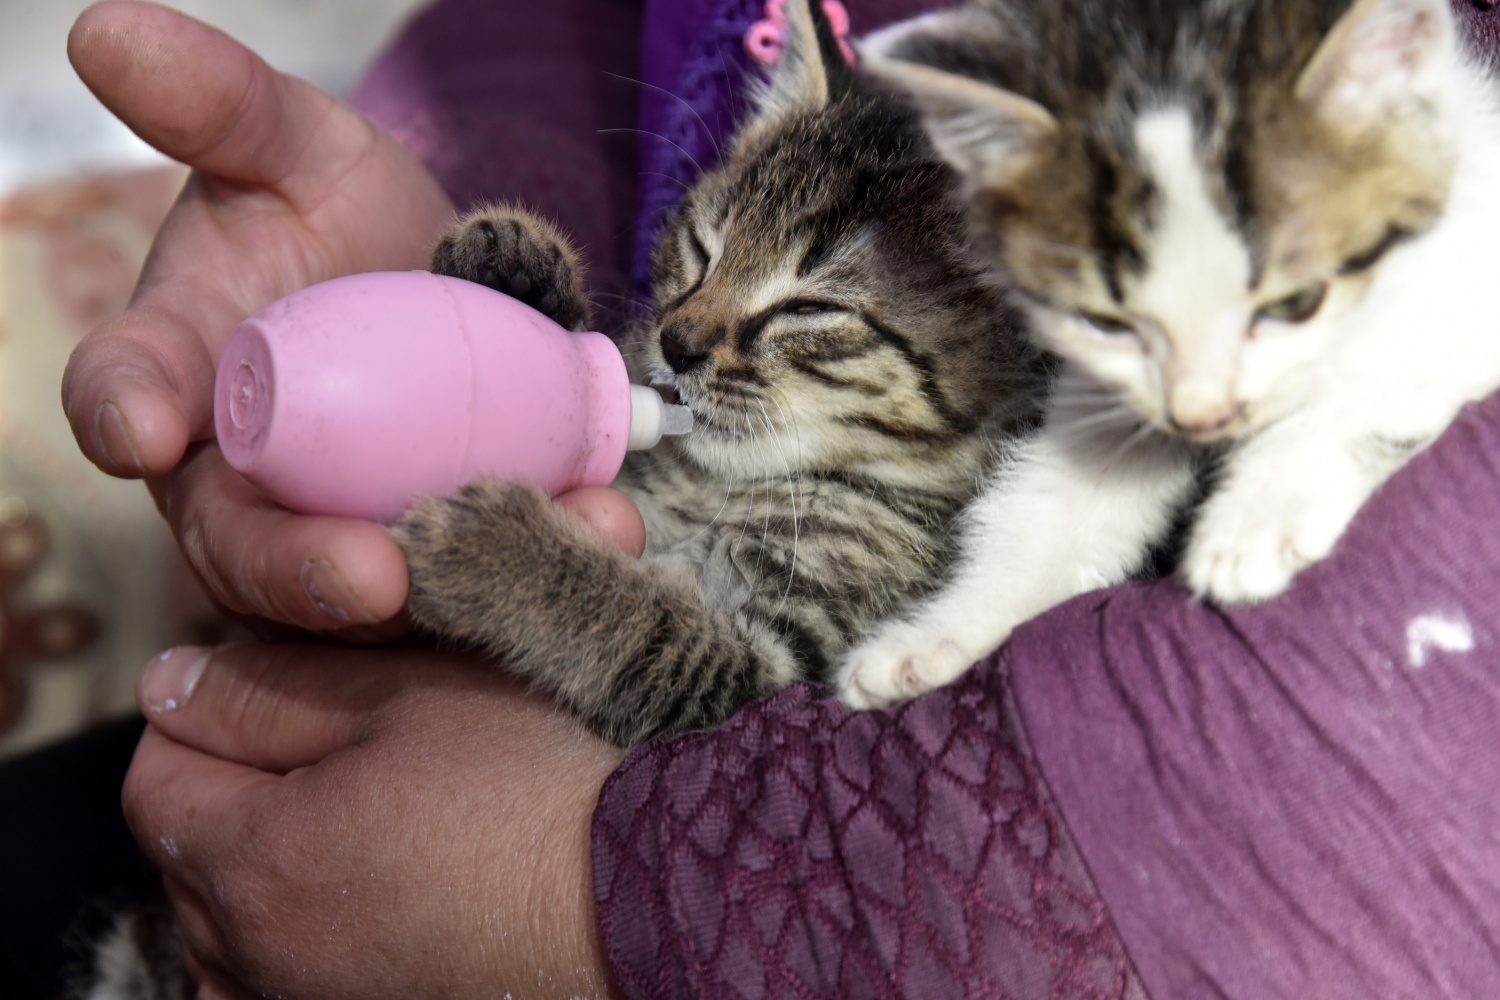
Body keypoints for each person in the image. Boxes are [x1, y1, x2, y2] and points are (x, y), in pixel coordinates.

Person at [31, 0, 1500, 997]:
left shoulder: (941, 496)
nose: (691, 333)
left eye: (809, 323)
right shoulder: (711, 357)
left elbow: (733, 701)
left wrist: (567, 883)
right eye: (701, 264)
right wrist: (470, 222)